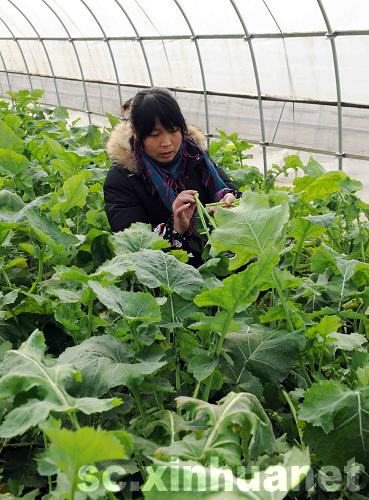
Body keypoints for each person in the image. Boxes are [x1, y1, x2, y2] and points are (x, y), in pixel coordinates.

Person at [104, 87, 239, 265]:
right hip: (169, 278)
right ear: (136, 134)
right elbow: (135, 249)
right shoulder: (122, 179)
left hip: (219, 260)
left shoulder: (196, 156)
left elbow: (231, 190)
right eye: (155, 134)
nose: (167, 143)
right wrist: (176, 228)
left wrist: (230, 202)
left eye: (173, 130)